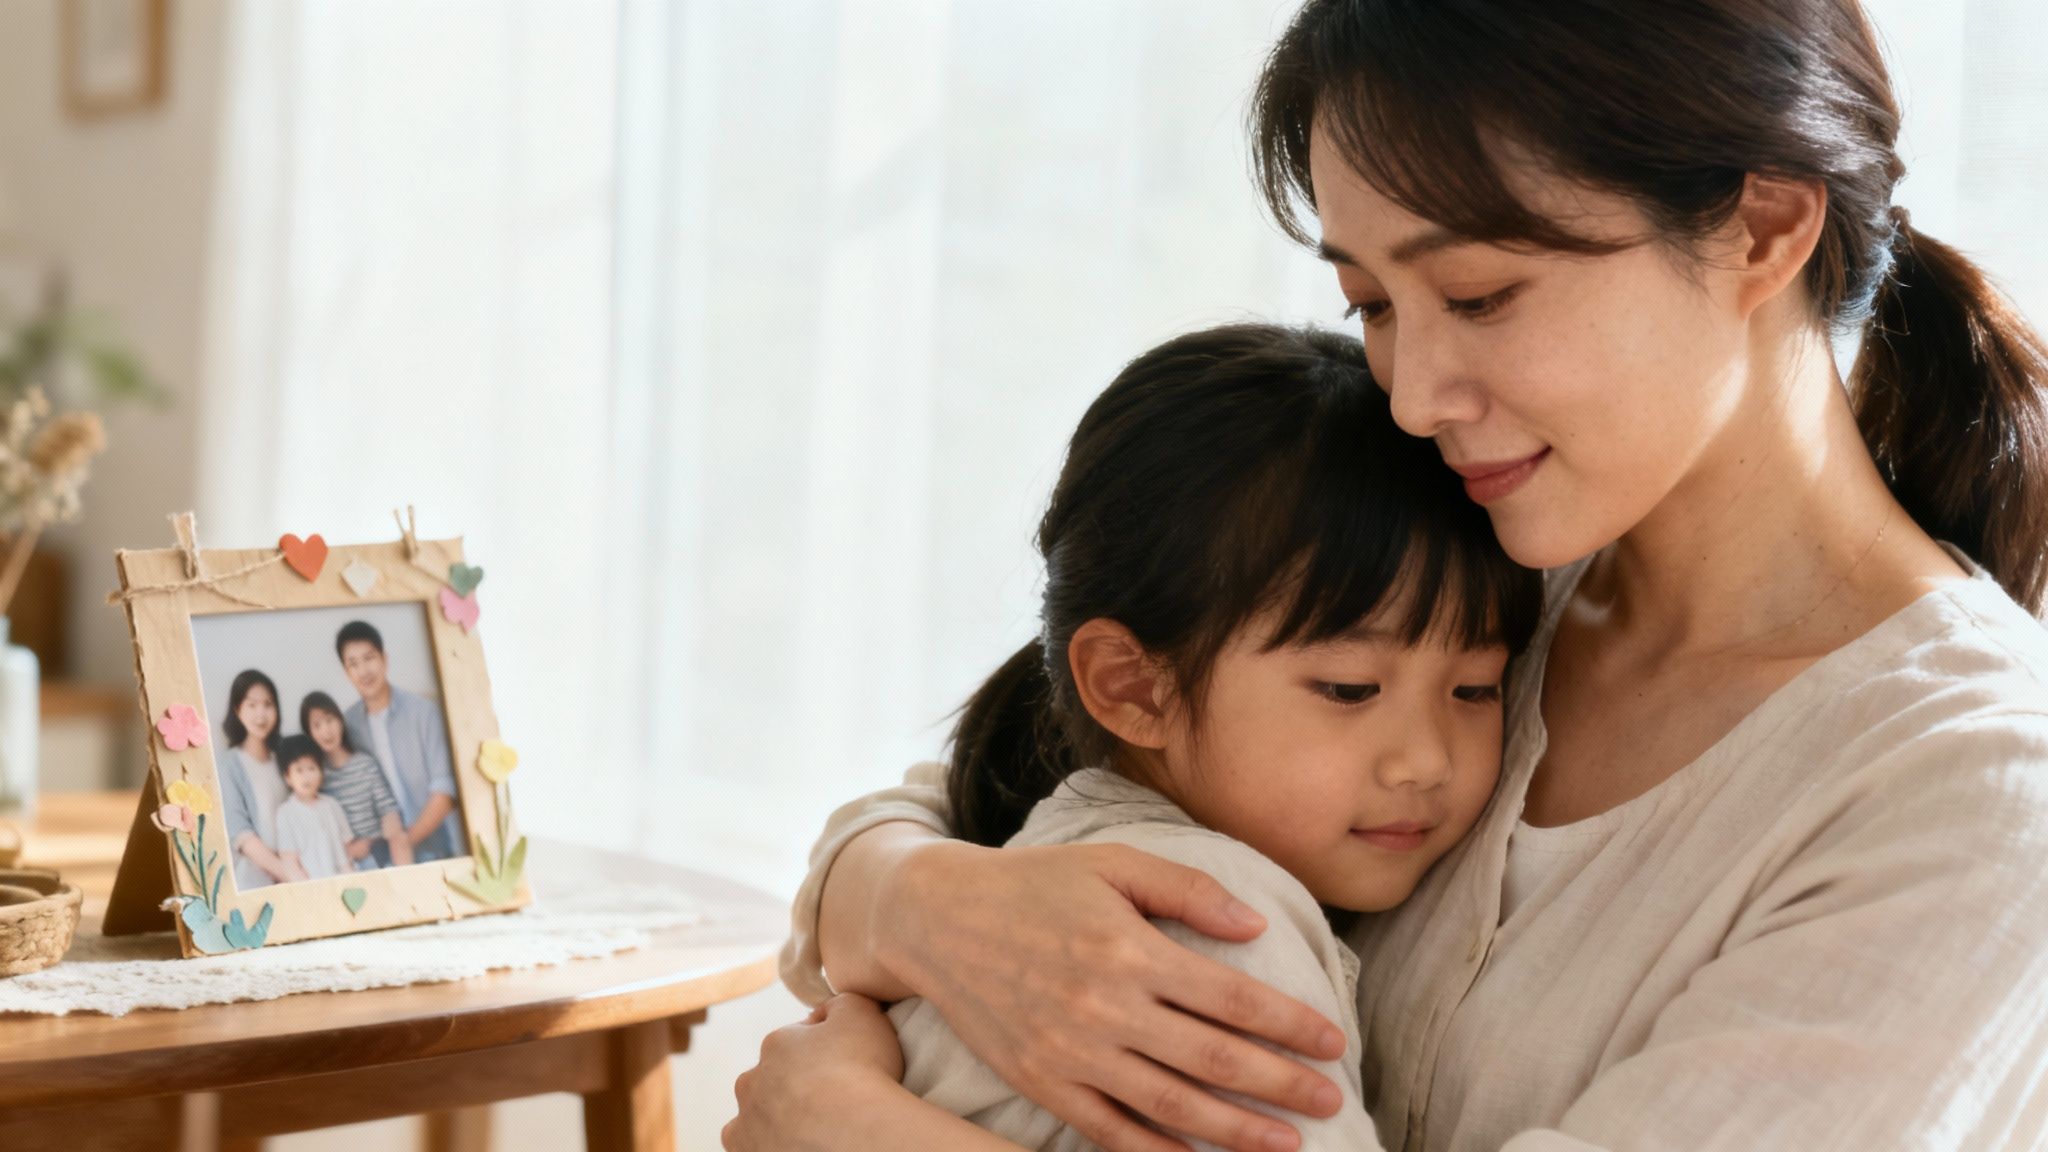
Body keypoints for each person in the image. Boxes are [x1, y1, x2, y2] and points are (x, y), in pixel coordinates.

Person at [728, 2, 2048, 1151]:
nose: (1412, 396)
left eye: (1477, 296)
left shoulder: (1976, 799)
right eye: (1370, 304)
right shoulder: (1469, 562)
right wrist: (917, 901)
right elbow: (976, 795)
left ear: (1762, 231)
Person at [884, 324, 1541, 1149]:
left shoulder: (1074, 851)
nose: (1427, 760)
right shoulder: (1212, 918)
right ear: (1134, 687)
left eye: (1476, 688)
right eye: (1349, 688)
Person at [334, 620, 465, 863]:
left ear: (384, 658)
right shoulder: (347, 726)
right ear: (346, 672)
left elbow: (446, 788)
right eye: (353, 664)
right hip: (382, 857)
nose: (363, 671)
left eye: (369, 658)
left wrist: (405, 841)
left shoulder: (423, 712)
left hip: (438, 846)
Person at [300, 691, 415, 871]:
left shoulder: (365, 764)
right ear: (310, 733)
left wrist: (376, 843)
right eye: (317, 725)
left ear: (340, 721)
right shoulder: (315, 777)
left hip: (377, 853)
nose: (326, 731)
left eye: (330, 720)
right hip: (339, 863)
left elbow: (388, 810)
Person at [214, 669, 303, 890]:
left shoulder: (284, 757)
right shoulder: (229, 764)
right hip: (256, 879)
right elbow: (240, 833)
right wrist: (288, 875)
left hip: (297, 868)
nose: (261, 715)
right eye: (251, 705)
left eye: (268, 704)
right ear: (237, 709)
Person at [270, 734, 357, 882]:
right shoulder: (286, 813)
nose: (307, 776)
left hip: (345, 883)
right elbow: (290, 863)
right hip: (313, 888)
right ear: (287, 777)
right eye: (299, 770)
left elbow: (347, 849)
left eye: (312, 768)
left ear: (321, 772)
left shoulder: (331, 805)